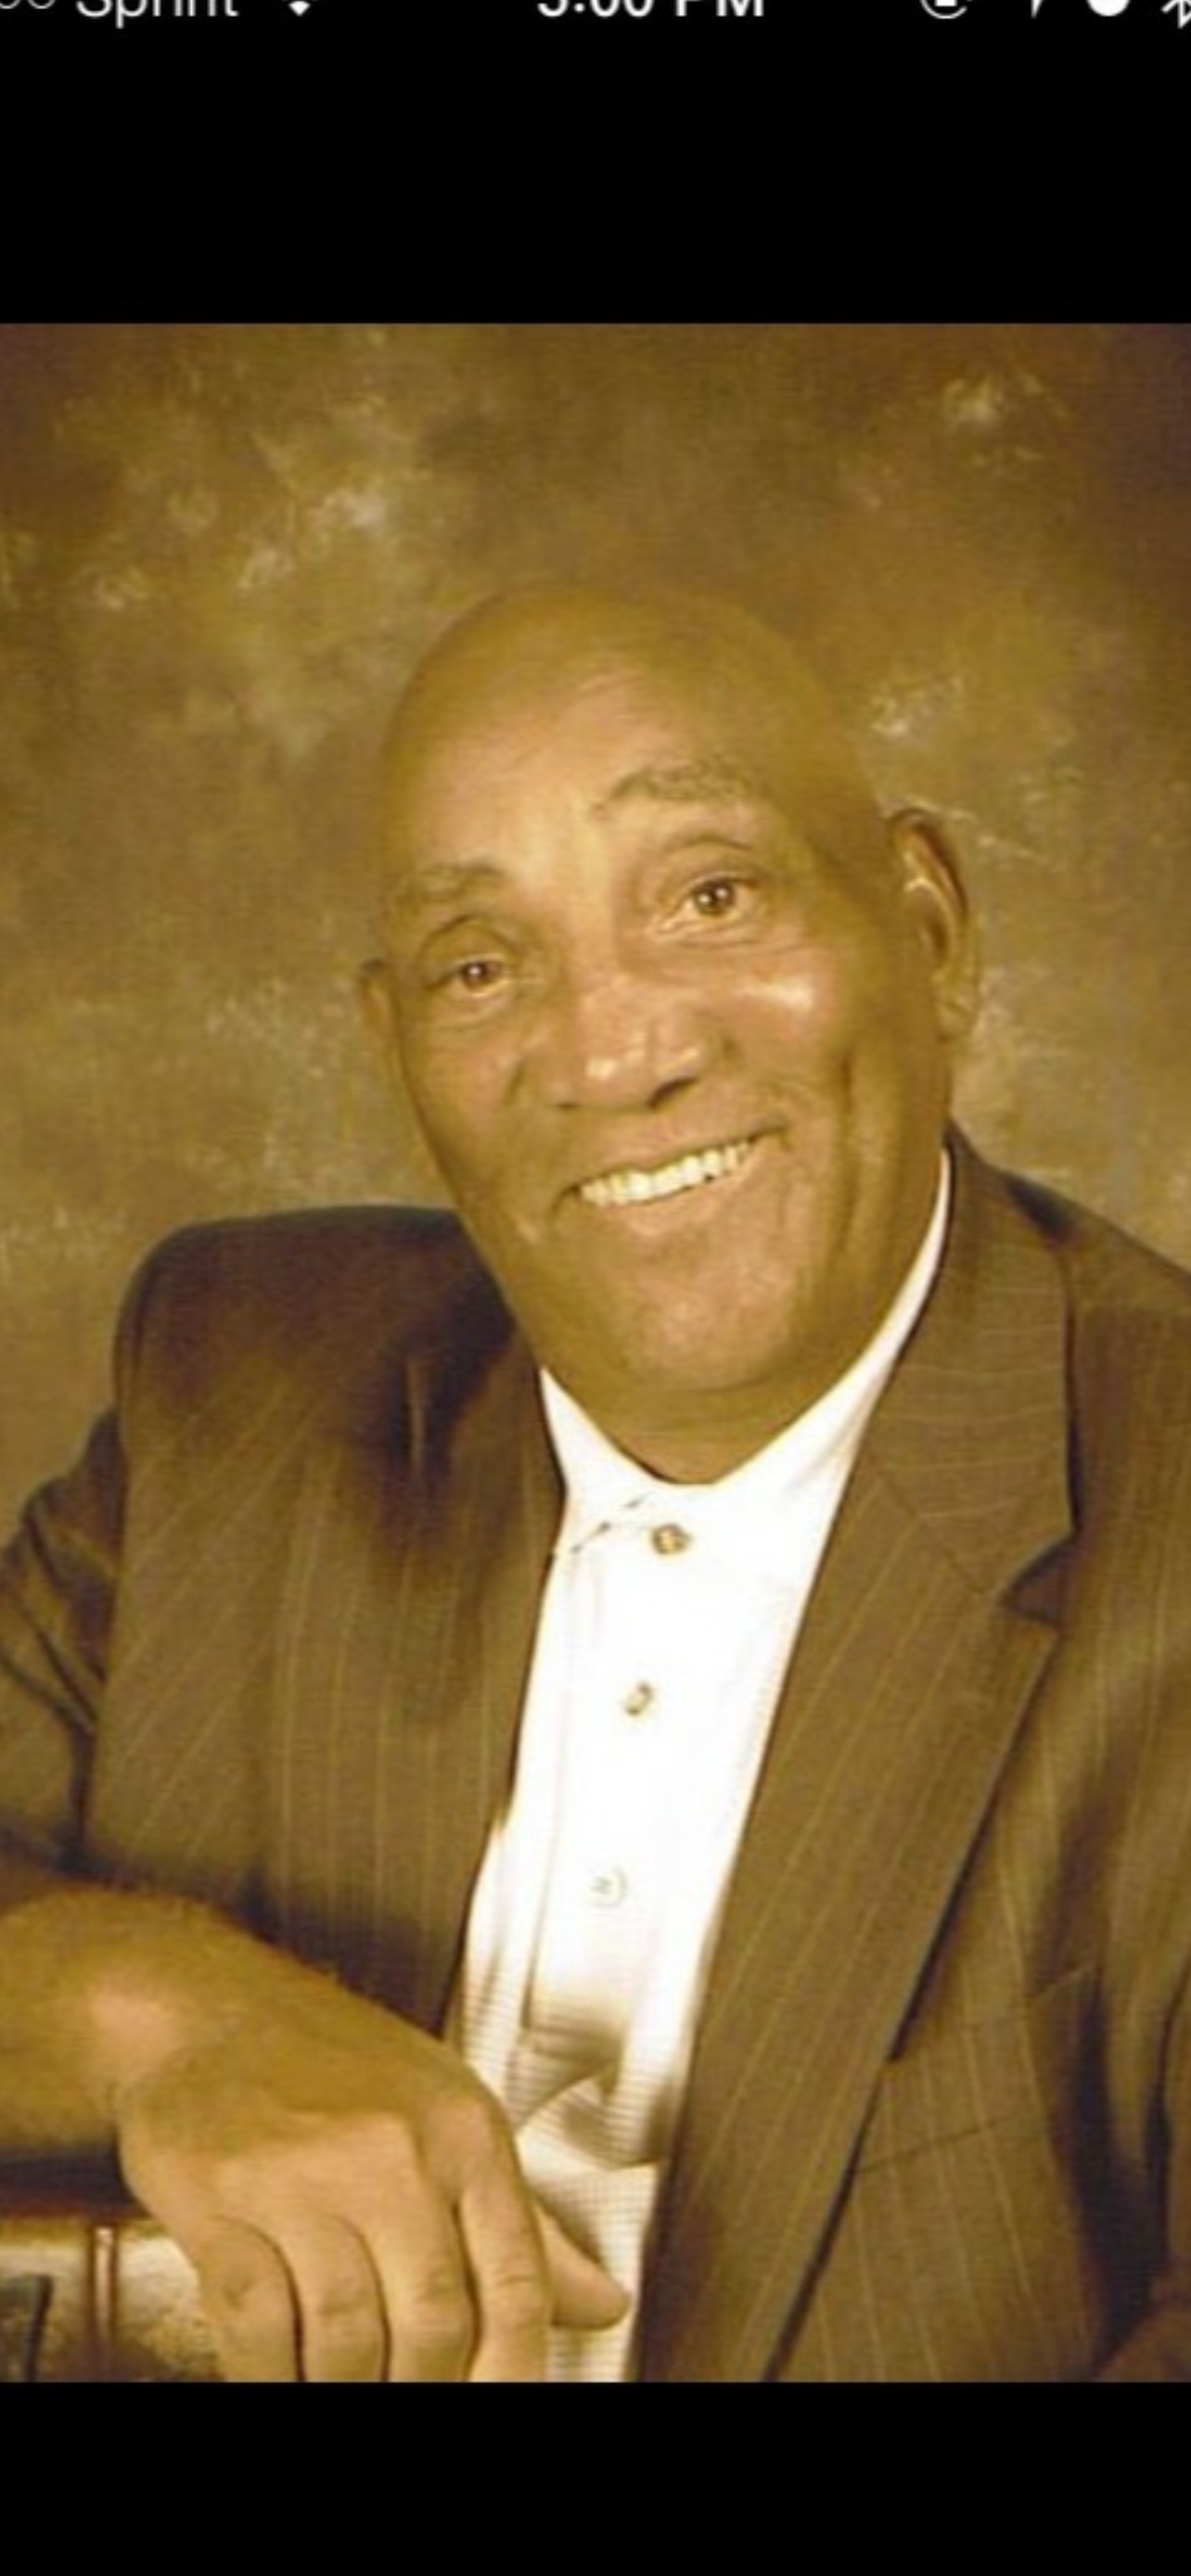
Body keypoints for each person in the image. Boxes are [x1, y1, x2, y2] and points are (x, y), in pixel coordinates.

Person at [0, 581, 1189, 2383]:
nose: (617, 1054)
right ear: (397, 1048)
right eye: (483, 965)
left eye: (712, 897)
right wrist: (167, 2022)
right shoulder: (236, 1390)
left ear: (931, 929)